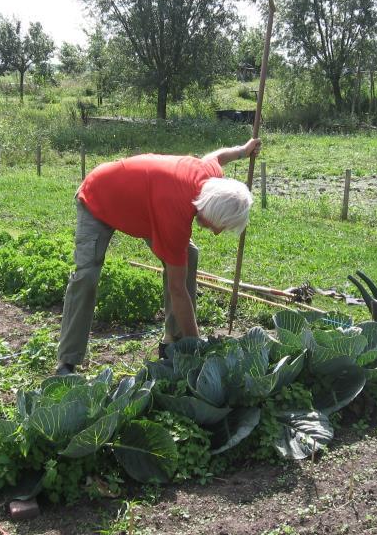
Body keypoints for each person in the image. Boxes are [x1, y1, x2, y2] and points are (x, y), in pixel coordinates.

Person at [56, 138, 261, 375]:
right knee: (87, 275)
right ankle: (67, 361)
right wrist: (197, 348)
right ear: (208, 208)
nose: (216, 232)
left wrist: (243, 151)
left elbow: (218, 157)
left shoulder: (210, 176)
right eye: (219, 225)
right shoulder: (175, 214)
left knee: (189, 255)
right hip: (99, 198)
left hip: (143, 208)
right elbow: (177, 289)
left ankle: (173, 341)